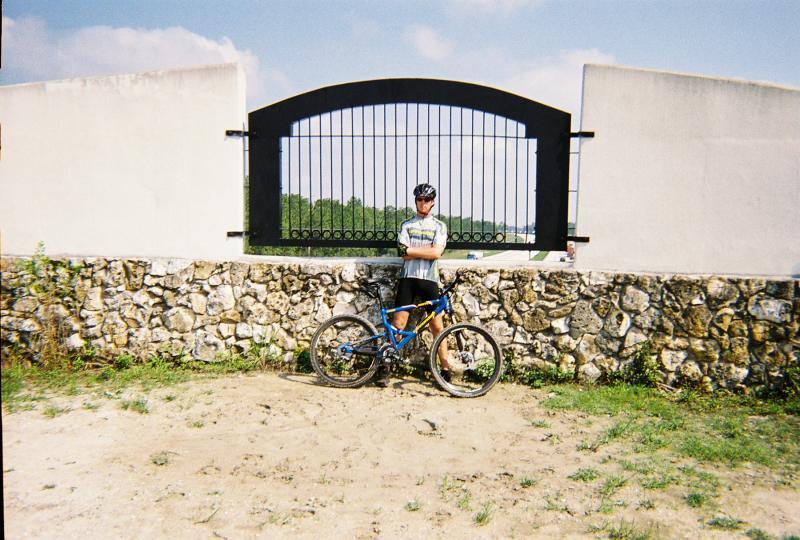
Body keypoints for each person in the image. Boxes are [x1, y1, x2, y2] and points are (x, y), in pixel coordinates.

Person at [375, 183, 451, 387]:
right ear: (415, 201)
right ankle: (385, 368)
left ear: (433, 202)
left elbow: (436, 253)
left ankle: (445, 369)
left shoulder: (440, 226)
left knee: (437, 326)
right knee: (397, 325)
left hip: (429, 281)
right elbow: (402, 252)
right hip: (408, 280)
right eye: (419, 199)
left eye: (427, 200)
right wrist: (425, 250)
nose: (423, 203)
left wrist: (413, 251)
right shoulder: (406, 225)